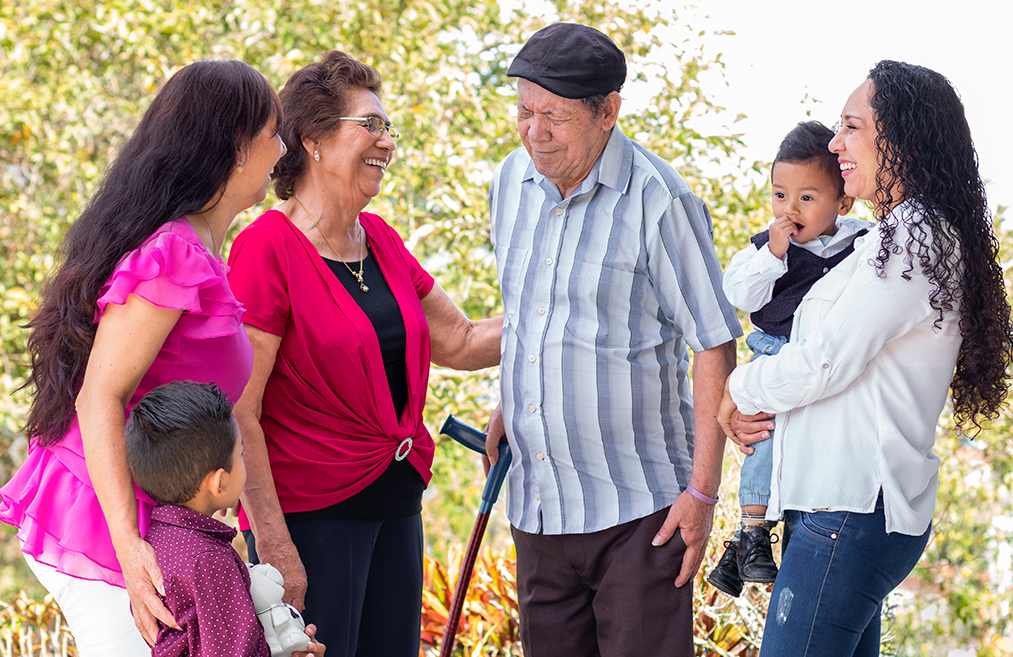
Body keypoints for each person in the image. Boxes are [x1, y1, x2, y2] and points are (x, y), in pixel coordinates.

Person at [718, 60, 1013, 655]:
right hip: (839, 509)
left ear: (899, 140)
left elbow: (825, 361)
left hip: (849, 513)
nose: (834, 143)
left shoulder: (912, 241)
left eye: (851, 127)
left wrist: (738, 390)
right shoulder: (894, 236)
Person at [0, 60, 285, 656]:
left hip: (149, 513)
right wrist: (130, 547)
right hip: (105, 519)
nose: (283, 148)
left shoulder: (202, 247)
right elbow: (99, 393)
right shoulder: (173, 252)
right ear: (235, 146)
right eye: (274, 132)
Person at [227, 51, 501, 656]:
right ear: (314, 140)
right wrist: (273, 545)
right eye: (369, 125)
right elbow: (238, 408)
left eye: (387, 128)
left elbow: (459, 340)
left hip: (396, 503)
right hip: (309, 522)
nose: (386, 141)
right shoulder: (265, 247)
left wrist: (564, 314)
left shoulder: (379, 239)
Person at [483, 23, 740, 657]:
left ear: (609, 112)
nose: (534, 132)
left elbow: (713, 344)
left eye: (555, 117)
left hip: (640, 516)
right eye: (524, 111)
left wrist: (703, 492)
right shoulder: (507, 185)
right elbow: (533, 315)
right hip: (539, 510)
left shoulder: (661, 201)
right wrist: (515, 401)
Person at [706, 121, 868, 597]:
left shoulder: (862, 245)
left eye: (806, 198)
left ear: (843, 203)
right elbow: (740, 294)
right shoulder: (766, 247)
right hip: (774, 352)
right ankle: (754, 529)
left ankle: (739, 552)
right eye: (780, 195)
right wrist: (773, 254)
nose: (789, 209)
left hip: (821, 365)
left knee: (801, 448)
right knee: (762, 436)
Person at [125, 381, 325, 657]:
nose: (243, 461)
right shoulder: (209, 561)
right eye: (240, 454)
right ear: (220, 483)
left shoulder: (158, 540)